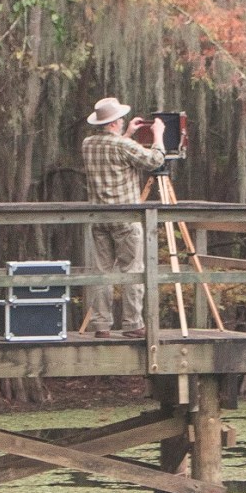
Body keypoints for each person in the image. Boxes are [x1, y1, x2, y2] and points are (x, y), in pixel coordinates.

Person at [81, 96, 166, 339]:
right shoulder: (122, 146)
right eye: (121, 120)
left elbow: (113, 154)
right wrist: (158, 134)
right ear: (114, 123)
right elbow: (154, 160)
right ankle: (133, 324)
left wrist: (127, 133)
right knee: (133, 270)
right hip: (125, 218)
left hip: (99, 218)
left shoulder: (88, 144)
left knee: (102, 272)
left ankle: (101, 325)